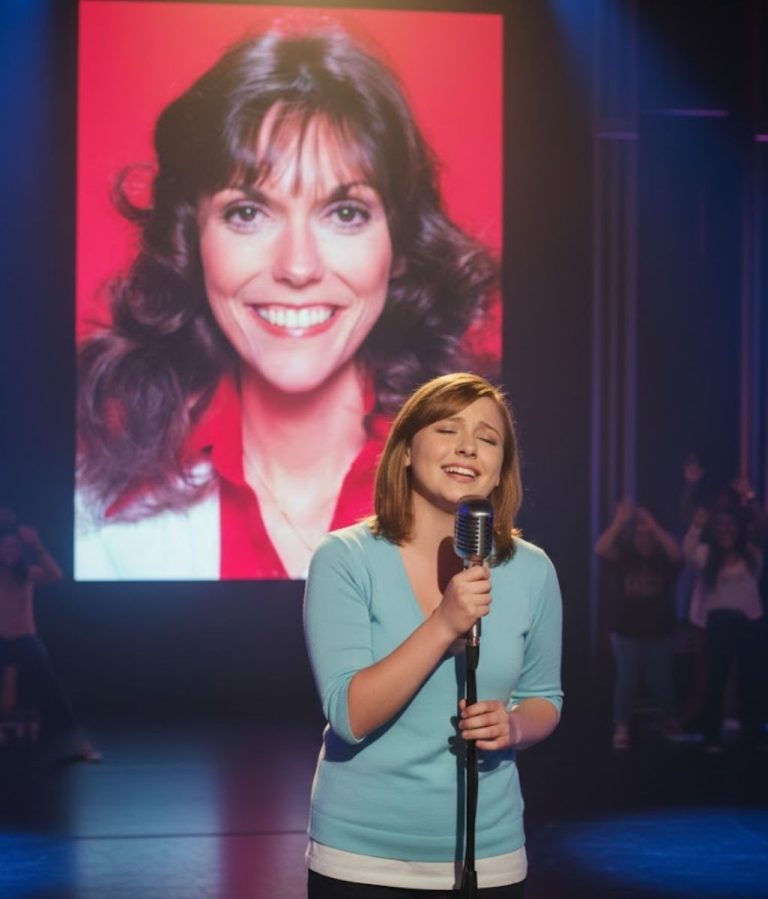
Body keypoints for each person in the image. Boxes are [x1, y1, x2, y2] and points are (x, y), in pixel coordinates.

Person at [75, 23, 497, 581]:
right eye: (248, 212)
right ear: (193, 240)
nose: (298, 267)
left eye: (344, 213)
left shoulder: (495, 491)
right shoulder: (92, 517)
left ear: (398, 246)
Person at [303, 373, 563, 897]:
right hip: (363, 859)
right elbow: (350, 716)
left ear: (500, 471)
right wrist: (444, 624)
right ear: (405, 450)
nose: (468, 446)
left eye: (488, 438)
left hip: (490, 855)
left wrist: (513, 726)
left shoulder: (532, 569)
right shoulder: (345, 558)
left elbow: (544, 698)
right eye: (447, 429)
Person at [0, 513, 100, 762]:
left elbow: (56, 575)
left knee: (52, 692)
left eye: (15, 547)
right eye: (5, 547)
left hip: (25, 639)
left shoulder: (28, 573)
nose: (10, 551)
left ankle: (77, 745)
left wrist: (37, 545)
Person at [595, 499, 682, 750]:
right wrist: (619, 522)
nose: (644, 538)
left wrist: (655, 528)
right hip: (626, 628)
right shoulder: (625, 554)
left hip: (660, 628)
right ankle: (622, 727)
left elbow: (678, 555)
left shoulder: (663, 556)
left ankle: (669, 721)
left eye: (648, 533)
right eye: (640, 533)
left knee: (662, 679)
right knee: (627, 679)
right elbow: (600, 549)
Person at [684, 505, 764, 751]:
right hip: (719, 623)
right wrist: (696, 526)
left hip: (748, 622)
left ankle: (752, 733)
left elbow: (763, 531)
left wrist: (751, 501)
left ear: (738, 528)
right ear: (714, 529)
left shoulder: (751, 554)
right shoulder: (706, 554)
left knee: (750, 679)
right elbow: (687, 553)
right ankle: (712, 736)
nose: (726, 529)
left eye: (731, 524)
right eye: (721, 524)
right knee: (715, 680)